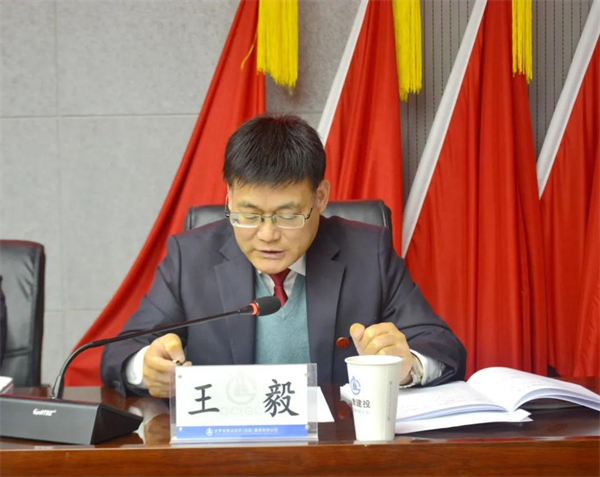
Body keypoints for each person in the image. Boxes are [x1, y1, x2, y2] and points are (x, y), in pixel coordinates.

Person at [102, 114, 466, 398]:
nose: (267, 235)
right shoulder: (191, 257)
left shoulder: (368, 252)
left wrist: (408, 366)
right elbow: (119, 354)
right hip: (225, 452)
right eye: (249, 215)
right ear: (229, 197)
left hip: (336, 451)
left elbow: (444, 349)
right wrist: (146, 368)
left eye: (287, 215)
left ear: (320, 197)